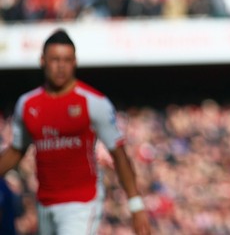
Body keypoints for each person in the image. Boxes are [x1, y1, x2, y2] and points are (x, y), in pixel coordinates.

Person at [0, 29, 151, 235]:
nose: (61, 66)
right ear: (42, 60)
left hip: (82, 202)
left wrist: (136, 205)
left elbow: (119, 155)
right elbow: (16, 151)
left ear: (75, 62)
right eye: (55, 59)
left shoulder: (93, 102)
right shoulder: (27, 105)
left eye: (67, 60)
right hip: (46, 202)